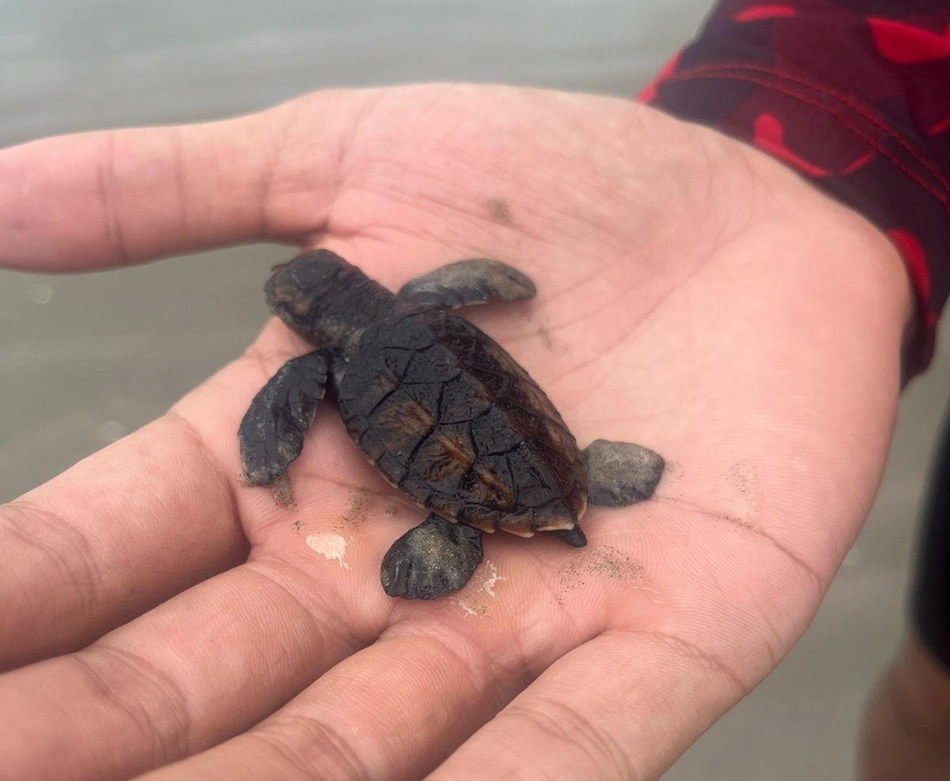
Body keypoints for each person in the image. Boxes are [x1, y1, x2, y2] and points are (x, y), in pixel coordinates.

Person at [0, 3, 944, 781]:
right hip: (556, 454)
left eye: (289, 300)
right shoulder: (429, 305)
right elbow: (495, 282)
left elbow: (279, 420)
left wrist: (267, 459)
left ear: (314, 323)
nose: (287, 308)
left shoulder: (327, 370)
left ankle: (458, 532)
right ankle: (579, 478)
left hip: (466, 495)